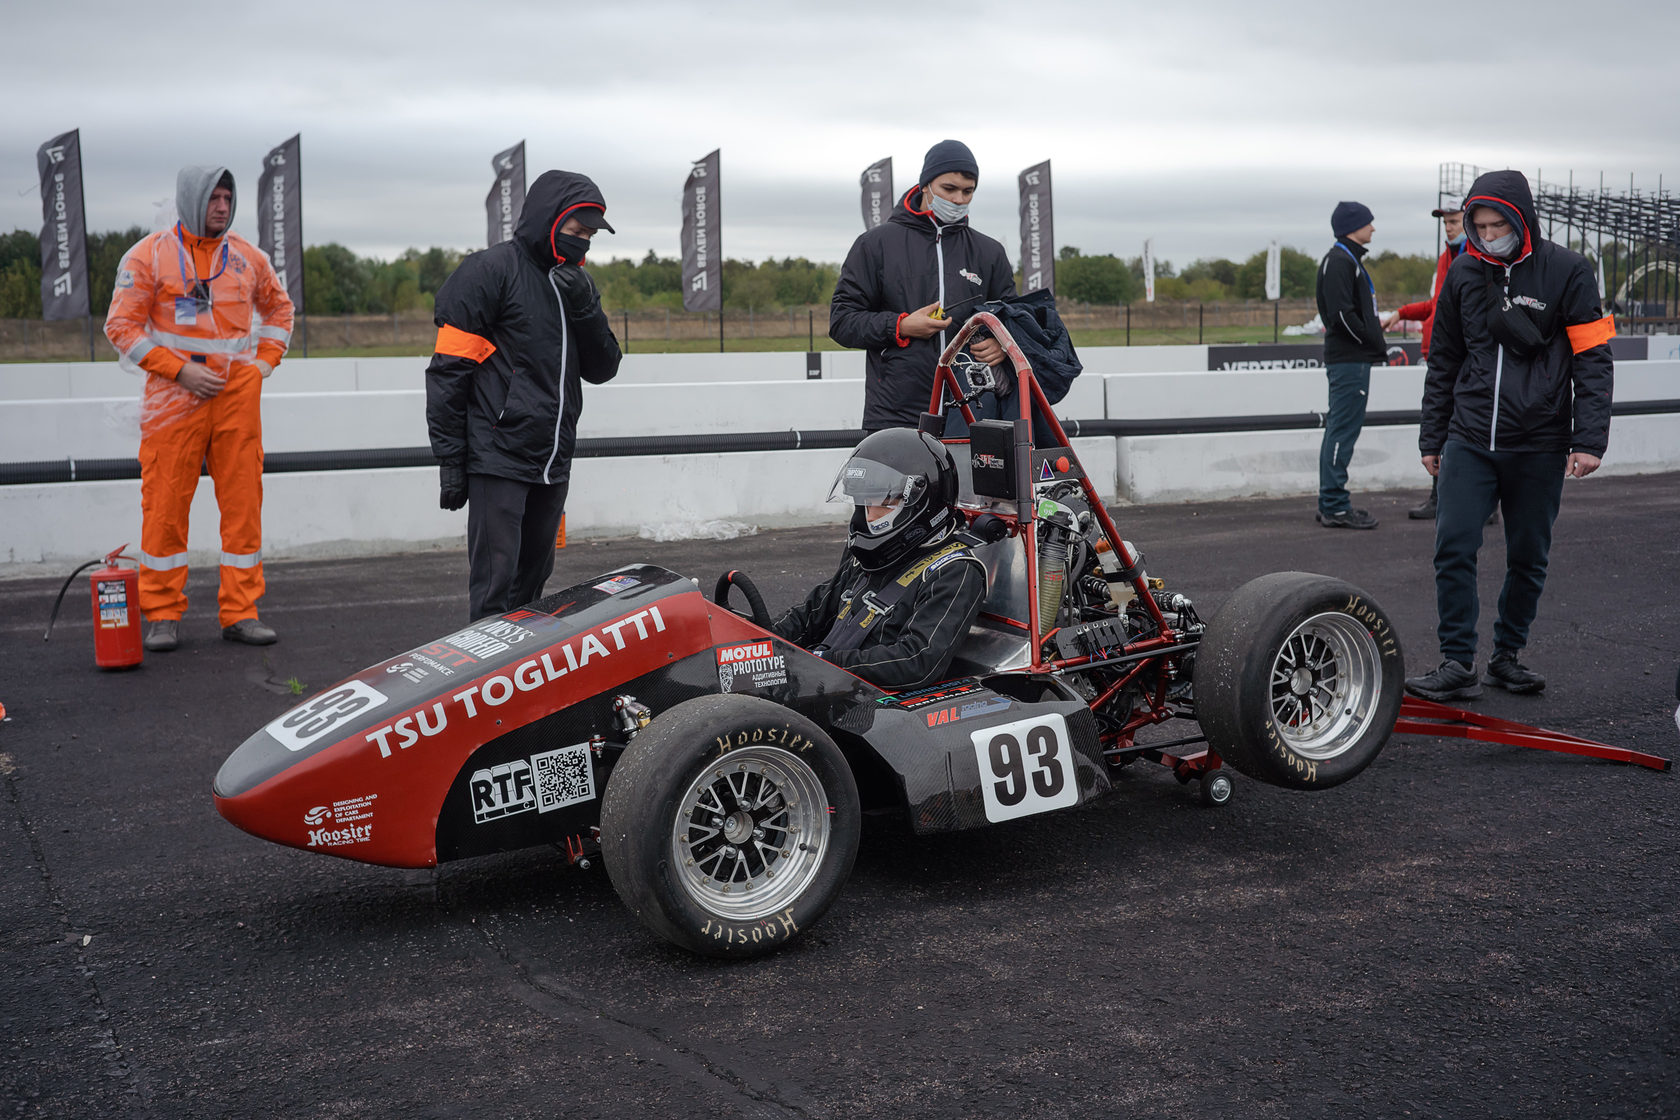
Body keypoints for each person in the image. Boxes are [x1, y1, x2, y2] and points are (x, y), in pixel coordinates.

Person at [1404, 170, 1614, 701]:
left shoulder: (1569, 271)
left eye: (1499, 223)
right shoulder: (1464, 273)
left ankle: (1507, 656)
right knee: (1453, 545)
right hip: (1469, 437)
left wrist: (1588, 439)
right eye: (1480, 224)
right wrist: (1433, 436)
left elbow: (1594, 358)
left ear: (1522, 219)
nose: (1489, 232)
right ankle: (1456, 661)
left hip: (1540, 441)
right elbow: (1444, 359)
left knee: (1528, 554)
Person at [104, 166, 294, 651]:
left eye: (228, 199)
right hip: (174, 400)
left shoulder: (247, 258)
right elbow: (121, 326)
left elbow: (280, 310)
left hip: (236, 401)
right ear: (192, 201)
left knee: (243, 508)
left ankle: (241, 612)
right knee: (165, 507)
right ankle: (162, 614)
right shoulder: (148, 256)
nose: (223, 207)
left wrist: (262, 366)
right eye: (214, 199)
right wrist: (178, 370)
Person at [426, 170, 622, 621]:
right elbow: (447, 375)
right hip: (498, 458)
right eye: (578, 232)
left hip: (553, 461)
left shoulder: (578, 283)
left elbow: (604, 368)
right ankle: (484, 686)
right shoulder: (489, 271)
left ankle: (524, 685)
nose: (585, 242)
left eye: (591, 235)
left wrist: (586, 308)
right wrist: (451, 461)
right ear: (549, 220)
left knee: (533, 590)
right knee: (494, 593)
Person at [772, 429, 988, 691]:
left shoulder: (955, 571)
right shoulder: (867, 556)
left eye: (880, 505)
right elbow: (811, 615)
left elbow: (917, 661)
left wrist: (825, 662)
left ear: (919, 504)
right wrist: (759, 643)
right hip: (827, 682)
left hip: (877, 707)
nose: (868, 517)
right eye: (862, 504)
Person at [830, 140, 1015, 433]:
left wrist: (1003, 345)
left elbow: (1012, 319)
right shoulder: (875, 244)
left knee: (970, 481)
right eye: (949, 189)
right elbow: (841, 322)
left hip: (974, 412)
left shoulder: (989, 252)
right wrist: (901, 326)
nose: (958, 199)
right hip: (896, 413)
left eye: (968, 191)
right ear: (925, 184)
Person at [1314, 200, 1392, 530]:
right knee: (1342, 430)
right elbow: (1341, 316)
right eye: (1368, 222)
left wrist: (1373, 334)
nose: (1373, 227)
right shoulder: (1340, 261)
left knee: (1342, 429)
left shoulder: (1347, 260)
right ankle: (1334, 505)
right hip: (1349, 360)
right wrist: (1371, 340)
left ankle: (1332, 502)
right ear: (1352, 227)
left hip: (1353, 359)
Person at [1397, 203, 1468, 519]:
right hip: (1439, 354)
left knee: (1461, 428)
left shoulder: (1472, 259)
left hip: (1462, 358)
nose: (1448, 227)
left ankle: (1473, 502)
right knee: (1441, 425)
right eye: (1446, 222)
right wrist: (1401, 313)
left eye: (1454, 221)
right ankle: (1440, 498)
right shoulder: (1447, 258)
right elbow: (1437, 305)